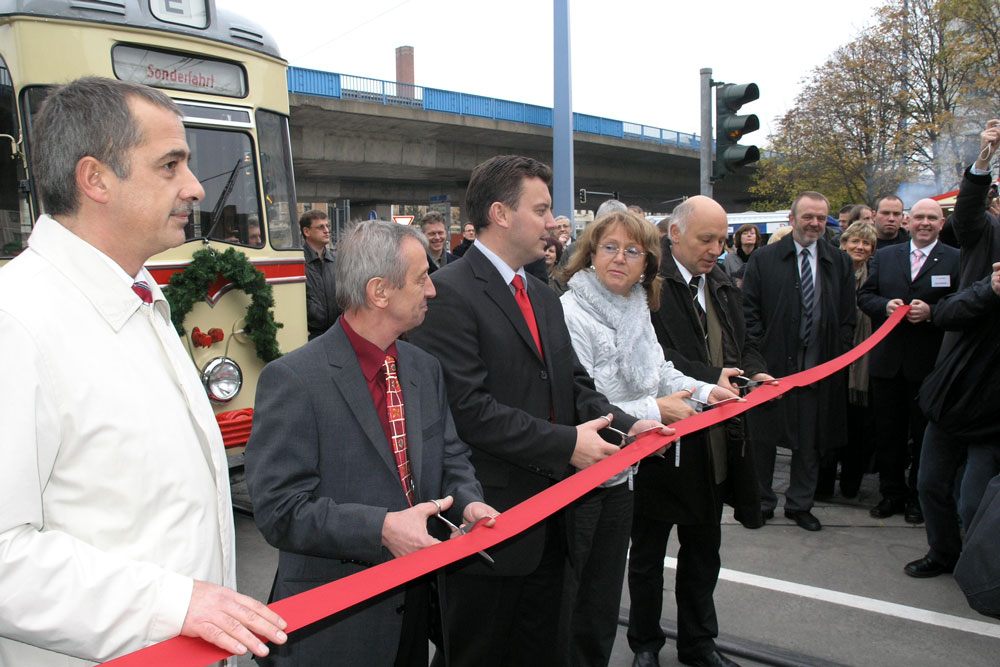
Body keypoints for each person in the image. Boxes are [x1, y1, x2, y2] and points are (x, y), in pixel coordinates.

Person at [0, 77, 287, 665]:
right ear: (95, 178)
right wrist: (173, 605)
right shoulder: (16, 322)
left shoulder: (138, 296)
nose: (194, 188)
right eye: (170, 165)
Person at [408, 155, 667, 666]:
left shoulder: (543, 293)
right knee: (480, 654)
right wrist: (569, 444)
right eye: (543, 208)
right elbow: (469, 411)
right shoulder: (451, 293)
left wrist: (627, 424)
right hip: (489, 522)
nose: (553, 222)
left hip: (555, 521)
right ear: (502, 214)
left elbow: (572, 382)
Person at [245, 220, 497, 666]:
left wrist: (468, 503)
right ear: (380, 291)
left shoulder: (423, 368)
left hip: (414, 611)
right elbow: (280, 510)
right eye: (422, 279)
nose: (432, 291)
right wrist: (381, 529)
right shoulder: (295, 379)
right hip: (335, 627)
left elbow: (450, 455)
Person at [559, 210, 737, 667]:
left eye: (633, 251)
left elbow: (658, 372)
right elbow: (586, 401)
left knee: (602, 599)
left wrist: (704, 389)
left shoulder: (638, 305)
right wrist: (655, 411)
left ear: (647, 265)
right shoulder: (571, 311)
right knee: (573, 598)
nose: (620, 258)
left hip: (625, 473)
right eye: (610, 247)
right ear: (591, 254)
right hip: (583, 475)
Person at [632, 197, 772, 667]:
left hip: (714, 442)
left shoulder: (722, 282)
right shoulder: (647, 285)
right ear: (674, 233)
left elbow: (743, 341)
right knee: (648, 557)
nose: (716, 249)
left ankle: (698, 643)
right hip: (662, 443)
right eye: (706, 239)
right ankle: (645, 645)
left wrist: (756, 372)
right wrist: (715, 377)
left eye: (722, 239)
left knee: (703, 551)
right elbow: (654, 360)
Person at [906, 120, 1000, 578]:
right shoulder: (986, 236)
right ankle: (942, 553)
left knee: (975, 497)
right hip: (953, 391)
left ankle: (978, 567)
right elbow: (948, 312)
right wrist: (983, 159)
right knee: (929, 485)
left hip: (993, 408)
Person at [742, 191, 856, 531]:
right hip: (771, 368)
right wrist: (758, 359)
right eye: (808, 216)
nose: (815, 224)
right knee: (763, 441)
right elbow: (748, 313)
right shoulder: (764, 259)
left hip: (817, 370)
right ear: (792, 219)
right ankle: (762, 501)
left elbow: (848, 315)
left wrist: (837, 357)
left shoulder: (840, 261)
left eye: (821, 218)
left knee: (810, 441)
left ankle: (800, 504)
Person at [857, 199, 959, 523]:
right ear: (907, 221)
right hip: (887, 365)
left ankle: (918, 498)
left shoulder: (955, 260)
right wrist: (885, 306)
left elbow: (961, 304)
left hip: (930, 366)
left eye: (932, 218)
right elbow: (864, 297)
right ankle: (891, 495)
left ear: (942, 224)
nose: (925, 223)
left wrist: (933, 313)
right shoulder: (886, 256)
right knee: (889, 434)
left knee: (923, 436)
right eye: (919, 217)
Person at [830, 221, 878, 499]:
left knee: (859, 429)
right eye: (855, 242)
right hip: (836, 357)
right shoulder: (834, 272)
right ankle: (823, 485)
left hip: (866, 363)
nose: (860, 247)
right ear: (844, 243)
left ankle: (851, 484)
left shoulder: (876, 276)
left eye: (866, 243)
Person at [301, 209, 341, 340]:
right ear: (306, 232)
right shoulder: (299, 262)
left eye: (327, 226)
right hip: (310, 336)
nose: (326, 230)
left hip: (336, 332)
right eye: (320, 227)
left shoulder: (335, 260)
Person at [722, 223, 761, 288]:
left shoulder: (762, 257)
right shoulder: (729, 258)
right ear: (739, 237)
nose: (749, 235)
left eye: (752, 233)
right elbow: (726, 280)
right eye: (745, 233)